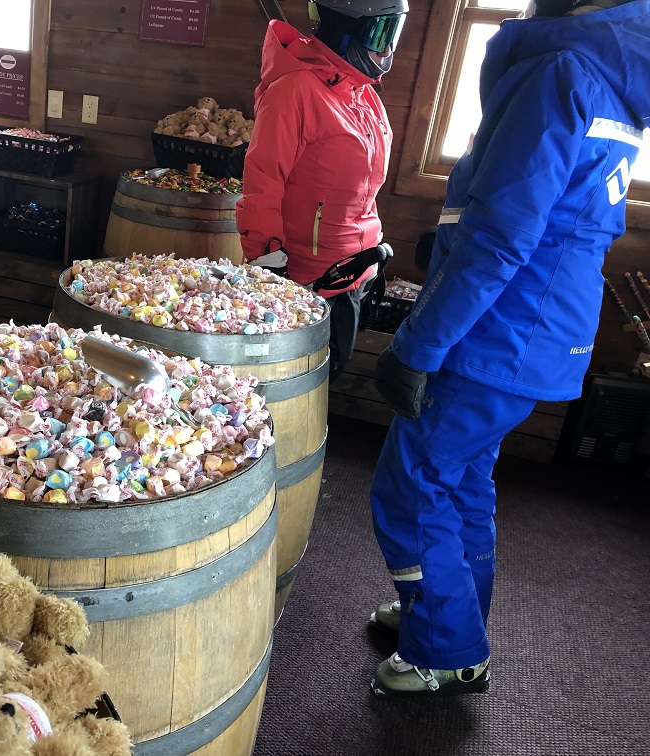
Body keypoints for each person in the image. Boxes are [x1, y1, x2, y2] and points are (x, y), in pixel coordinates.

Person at [369, 0, 649, 697]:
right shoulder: (611, 75)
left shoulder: (559, 68)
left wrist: (416, 345)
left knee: (411, 486)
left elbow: (501, 236)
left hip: (497, 333)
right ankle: (444, 616)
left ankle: (445, 650)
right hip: (545, 334)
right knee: (460, 480)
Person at [235, 0, 408, 379]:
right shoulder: (294, 91)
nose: (388, 49)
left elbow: (363, 189)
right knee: (304, 386)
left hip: (356, 271)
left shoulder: (366, 97)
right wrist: (268, 264)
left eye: (392, 34)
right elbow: (262, 183)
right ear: (344, 28)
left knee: (331, 374)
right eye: (380, 34)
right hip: (309, 280)